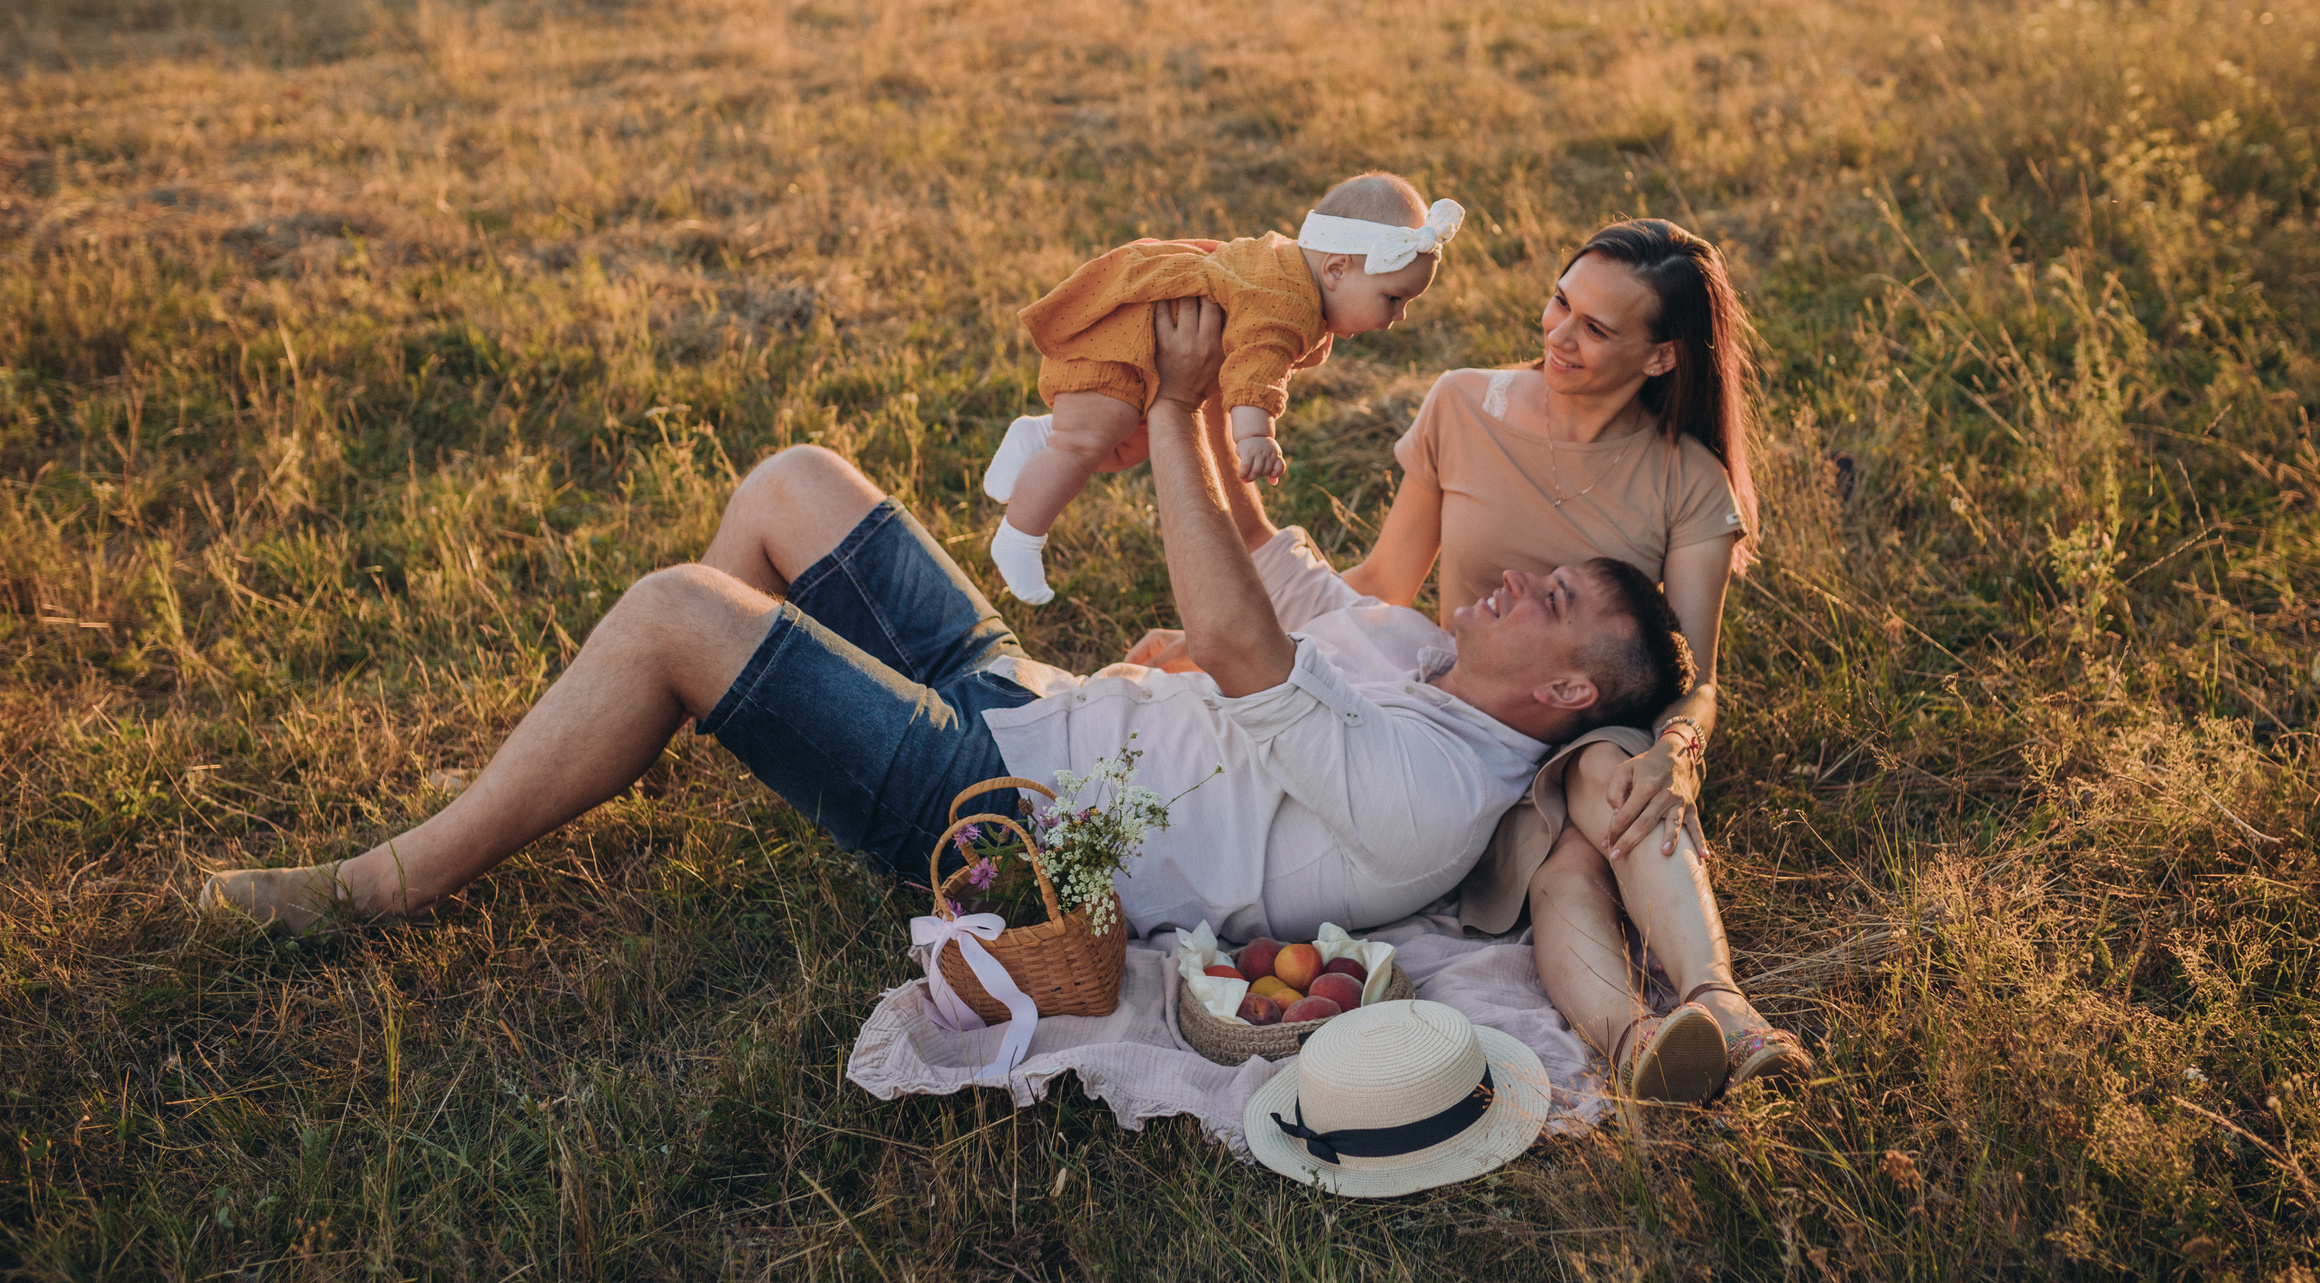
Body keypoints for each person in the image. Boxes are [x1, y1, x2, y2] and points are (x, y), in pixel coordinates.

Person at [198, 299, 1690, 952]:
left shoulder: (1443, 792)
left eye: (1545, 597)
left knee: (676, 609)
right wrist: (1224, 386)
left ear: (1565, 688)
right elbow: (1273, 569)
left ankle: (378, 887)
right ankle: (674, 721)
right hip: (1027, 695)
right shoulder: (1420, 655)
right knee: (795, 481)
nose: (1505, 578)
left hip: (1004, 814)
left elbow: (1239, 646)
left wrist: (1171, 413)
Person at [1130, 218, 1810, 1103]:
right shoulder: (1461, 404)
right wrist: (1246, 643)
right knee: (1564, 866)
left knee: (1594, 798)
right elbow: (1382, 583)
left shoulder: (1688, 480)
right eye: (1561, 302)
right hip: (1478, 723)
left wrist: (1673, 757)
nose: (1560, 335)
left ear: (1660, 359)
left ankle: (1724, 1007)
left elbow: (1692, 672)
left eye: (1597, 328)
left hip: (1600, 726)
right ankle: (1638, 1039)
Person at [981, 172, 1463, 604]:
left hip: (1154, 340)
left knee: (1123, 446)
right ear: (1336, 269)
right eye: (1393, 299)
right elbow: (1257, 369)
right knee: (1084, 442)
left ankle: (1036, 437)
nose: (1397, 319)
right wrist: (1255, 436)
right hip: (1130, 336)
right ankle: (1020, 536)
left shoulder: (1290, 271)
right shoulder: (1289, 304)